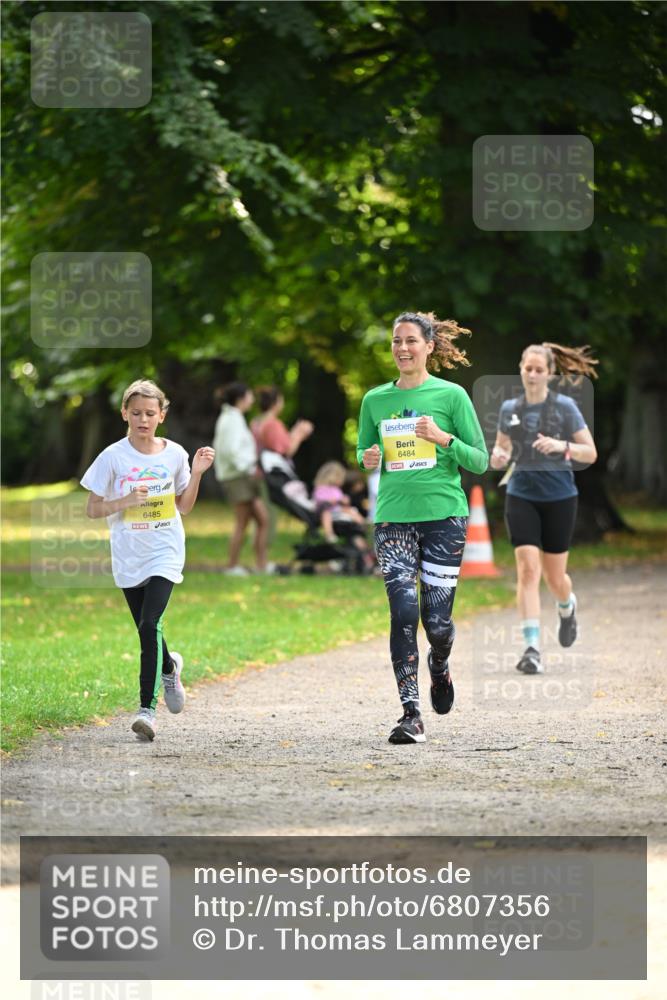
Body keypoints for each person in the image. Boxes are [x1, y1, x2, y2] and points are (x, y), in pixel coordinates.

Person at [357, 311, 488, 745]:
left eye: (411, 340)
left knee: (436, 623)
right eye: (396, 341)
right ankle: (411, 713)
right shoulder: (375, 399)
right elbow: (364, 449)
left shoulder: (452, 397)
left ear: (429, 346)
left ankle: (440, 663)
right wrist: (368, 458)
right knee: (403, 612)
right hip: (394, 518)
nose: (402, 349)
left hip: (444, 518)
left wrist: (442, 438)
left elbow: (480, 460)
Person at [81, 379, 215, 741]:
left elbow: (183, 506)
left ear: (162, 415)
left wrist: (198, 473)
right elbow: (93, 509)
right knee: (147, 626)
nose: (143, 419)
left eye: (150, 413)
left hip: (165, 549)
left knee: (149, 623)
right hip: (128, 553)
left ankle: (146, 710)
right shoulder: (112, 457)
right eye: (136, 413)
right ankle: (169, 667)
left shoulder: (174, 454)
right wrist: (125, 501)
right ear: (124, 413)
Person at [490, 343, 598, 674]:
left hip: (560, 498)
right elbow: (502, 447)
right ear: (521, 369)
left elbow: (590, 453)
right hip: (521, 494)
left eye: (539, 370)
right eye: (528, 368)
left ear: (549, 373)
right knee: (527, 570)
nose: (533, 374)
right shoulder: (510, 407)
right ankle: (532, 648)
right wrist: (498, 456)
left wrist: (561, 445)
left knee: (554, 578)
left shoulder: (565, 408)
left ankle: (567, 606)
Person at [213, 382, 270, 575]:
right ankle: (232, 566)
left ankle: (261, 565)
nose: (252, 400)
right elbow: (231, 450)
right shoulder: (231, 420)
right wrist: (249, 468)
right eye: (249, 396)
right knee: (243, 522)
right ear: (241, 398)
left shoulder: (235, 417)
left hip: (243, 475)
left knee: (262, 520)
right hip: (237, 477)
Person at [251, 386, 314, 458]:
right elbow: (287, 451)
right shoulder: (272, 424)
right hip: (269, 468)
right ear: (275, 403)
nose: (283, 405)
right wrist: (300, 432)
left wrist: (295, 431)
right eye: (281, 401)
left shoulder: (255, 422)